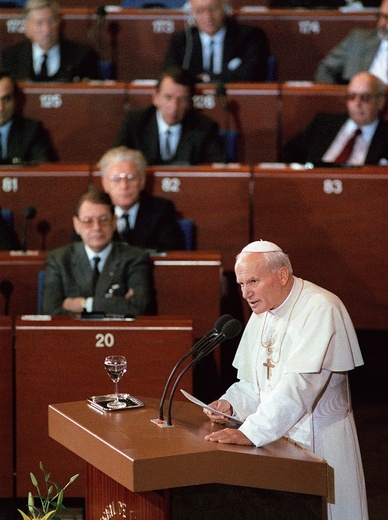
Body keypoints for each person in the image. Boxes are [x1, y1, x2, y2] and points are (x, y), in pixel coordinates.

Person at [203, 240, 368, 520]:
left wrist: (251, 431)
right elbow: (255, 384)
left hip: (320, 441)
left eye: (253, 281)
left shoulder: (321, 308)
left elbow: (300, 386)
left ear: (281, 275)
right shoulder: (263, 310)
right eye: (242, 284)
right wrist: (230, 404)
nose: (246, 293)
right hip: (274, 436)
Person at [41, 190, 152, 316]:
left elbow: (137, 306)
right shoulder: (59, 259)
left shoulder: (134, 258)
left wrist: (86, 304)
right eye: (88, 221)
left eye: (103, 220)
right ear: (77, 225)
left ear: (114, 222)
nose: (96, 228)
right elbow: (50, 311)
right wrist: (117, 304)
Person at [113, 66, 226, 165]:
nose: (174, 107)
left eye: (182, 100)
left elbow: (216, 170)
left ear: (189, 103)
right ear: (155, 97)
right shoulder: (135, 122)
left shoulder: (204, 127)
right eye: (168, 97)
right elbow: (115, 161)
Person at [283, 71, 388, 166]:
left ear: (380, 101)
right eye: (352, 96)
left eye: (365, 97)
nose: (357, 103)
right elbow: (288, 155)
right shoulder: (323, 124)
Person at [99, 146, 185, 251]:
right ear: (105, 183)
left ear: (142, 181)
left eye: (130, 178)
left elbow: (170, 251)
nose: (124, 186)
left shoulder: (161, 210)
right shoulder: (96, 211)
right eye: (116, 179)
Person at [163, 0, 269, 83]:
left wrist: (206, 79)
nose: (208, 17)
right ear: (192, 16)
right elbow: (171, 76)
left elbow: (251, 75)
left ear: (225, 10)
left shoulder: (250, 37)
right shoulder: (181, 41)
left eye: (213, 9)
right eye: (200, 11)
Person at [0, 0, 100, 82]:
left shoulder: (82, 56)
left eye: (51, 21)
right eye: (39, 23)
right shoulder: (10, 58)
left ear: (60, 23)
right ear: (27, 27)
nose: (47, 30)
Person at [315, 0, 388, 84]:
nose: (382, 22)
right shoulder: (359, 39)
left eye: (387, 18)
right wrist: (336, 95)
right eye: (381, 16)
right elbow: (326, 70)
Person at [0, 71, 57, 164]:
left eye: (6, 99)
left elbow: (42, 171)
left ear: (15, 100)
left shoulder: (32, 131)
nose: (1, 107)